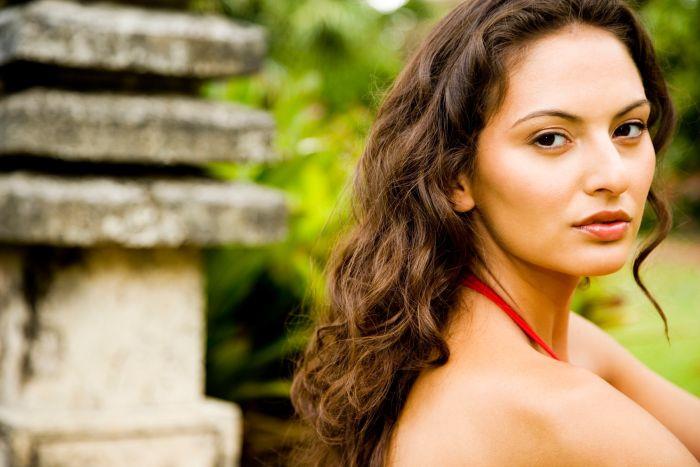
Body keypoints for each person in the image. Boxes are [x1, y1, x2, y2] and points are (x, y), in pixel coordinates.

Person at [290, 0, 700, 465]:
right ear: (455, 177)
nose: (614, 175)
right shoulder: (562, 410)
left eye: (628, 128)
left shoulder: (462, 337)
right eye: (550, 138)